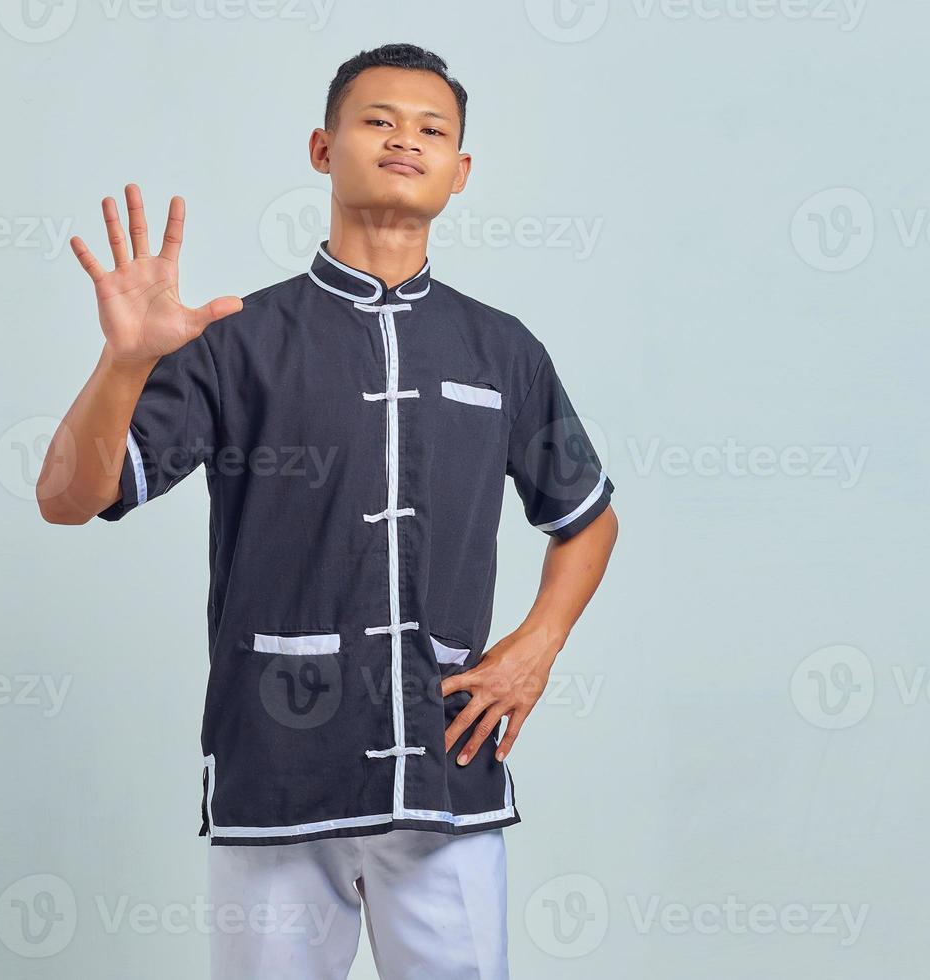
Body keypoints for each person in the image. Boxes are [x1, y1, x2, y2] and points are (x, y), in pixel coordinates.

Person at [37, 42, 618, 980]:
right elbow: (69, 498)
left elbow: (587, 518)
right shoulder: (237, 341)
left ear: (461, 171)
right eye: (378, 120)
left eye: (433, 130)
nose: (405, 140)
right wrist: (125, 362)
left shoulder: (501, 349)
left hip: (446, 778)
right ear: (322, 147)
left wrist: (536, 648)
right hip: (278, 773)